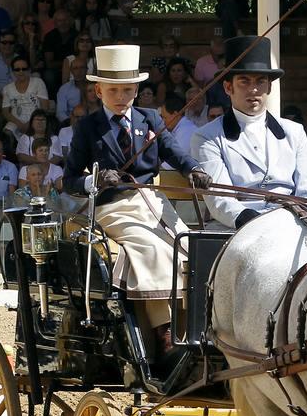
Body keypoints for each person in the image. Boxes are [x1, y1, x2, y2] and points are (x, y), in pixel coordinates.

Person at [63, 44, 207, 349]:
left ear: (137, 89)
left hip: (153, 202)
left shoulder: (150, 119)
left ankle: (195, 329)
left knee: (187, 247)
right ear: (98, 90)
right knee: (151, 246)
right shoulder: (87, 128)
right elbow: (69, 180)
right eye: (113, 91)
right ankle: (163, 333)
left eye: (127, 90)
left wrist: (193, 169)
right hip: (112, 208)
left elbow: (174, 151)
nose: (120, 98)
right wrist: (97, 179)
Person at [194, 35, 307, 231]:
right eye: (244, 81)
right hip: (236, 229)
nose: (253, 89)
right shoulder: (207, 137)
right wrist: (257, 224)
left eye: (260, 81)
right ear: (228, 87)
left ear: (269, 86)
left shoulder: (294, 132)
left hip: (292, 225)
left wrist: (304, 217)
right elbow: (220, 199)